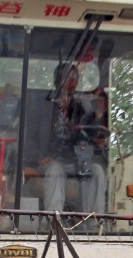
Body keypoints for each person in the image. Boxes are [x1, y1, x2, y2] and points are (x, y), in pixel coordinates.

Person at [41, 63, 108, 213]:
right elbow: (29, 137)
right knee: (55, 169)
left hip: (78, 161)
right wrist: (40, 156)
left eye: (75, 77)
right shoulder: (44, 108)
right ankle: (53, 220)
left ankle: (94, 222)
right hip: (52, 161)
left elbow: (91, 134)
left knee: (97, 171)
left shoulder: (85, 108)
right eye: (68, 77)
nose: (72, 81)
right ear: (56, 82)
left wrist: (97, 140)